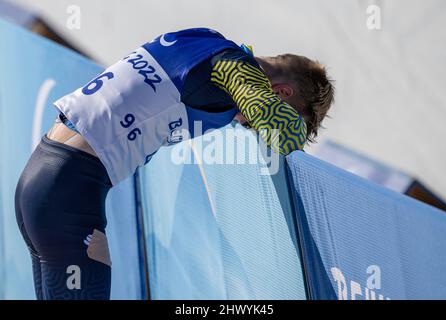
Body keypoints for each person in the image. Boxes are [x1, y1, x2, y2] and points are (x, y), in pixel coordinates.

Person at [14, 28, 334, 300]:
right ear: (281, 92)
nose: (247, 127)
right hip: (68, 194)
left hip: (44, 175)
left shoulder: (205, 38)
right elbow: (282, 128)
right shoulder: (233, 66)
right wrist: (293, 133)